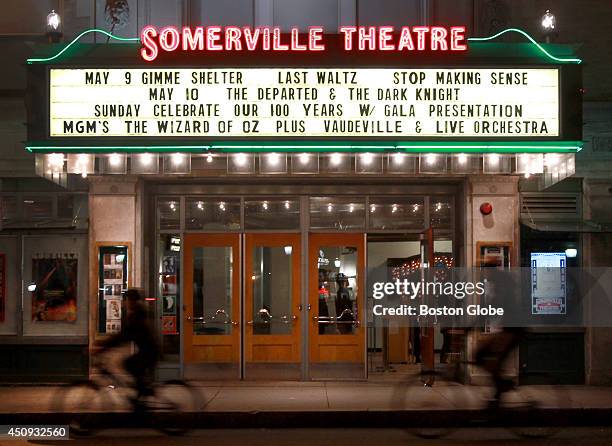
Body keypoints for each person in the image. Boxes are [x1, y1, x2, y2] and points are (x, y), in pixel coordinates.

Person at [97, 288, 160, 406]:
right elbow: (124, 335)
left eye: (127, 300)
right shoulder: (136, 313)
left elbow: (124, 335)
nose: (125, 303)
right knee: (131, 366)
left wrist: (103, 347)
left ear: (132, 301)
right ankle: (141, 392)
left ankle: (142, 392)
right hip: (147, 350)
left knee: (129, 364)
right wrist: (105, 346)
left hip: (149, 351)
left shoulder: (137, 315)